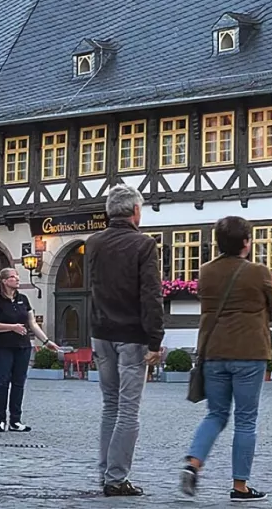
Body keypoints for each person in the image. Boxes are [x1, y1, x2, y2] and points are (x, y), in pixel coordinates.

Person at [180, 215, 272, 501]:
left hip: (214, 352)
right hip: (249, 352)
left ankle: (193, 463)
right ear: (246, 242)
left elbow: (204, 301)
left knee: (216, 414)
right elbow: (271, 308)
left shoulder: (206, 271)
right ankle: (240, 487)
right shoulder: (258, 272)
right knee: (246, 420)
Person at [86, 183, 165, 497]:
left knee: (110, 406)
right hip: (131, 334)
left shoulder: (93, 243)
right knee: (129, 410)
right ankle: (116, 478)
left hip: (101, 332)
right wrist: (156, 340)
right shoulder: (143, 244)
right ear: (135, 211)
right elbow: (151, 294)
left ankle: (106, 471)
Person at [0, 265, 57, 432]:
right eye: (13, 277)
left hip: (23, 347)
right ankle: (0, 420)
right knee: (2, 382)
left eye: (17, 277)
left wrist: (46, 342)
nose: (17, 279)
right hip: (3, 347)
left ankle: (15, 421)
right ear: (4, 281)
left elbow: (31, 323)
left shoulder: (23, 299)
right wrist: (12, 327)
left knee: (19, 383)